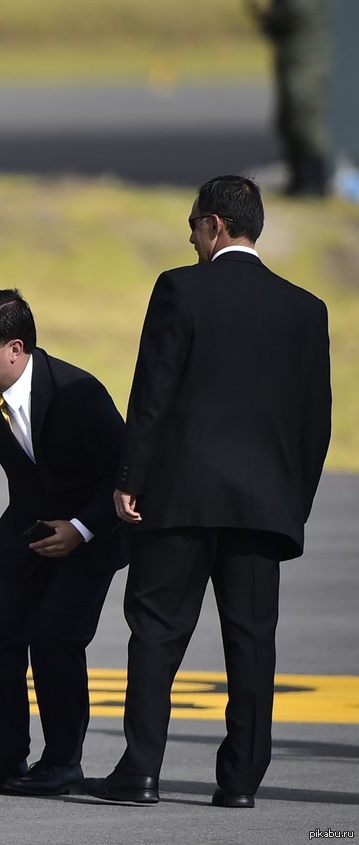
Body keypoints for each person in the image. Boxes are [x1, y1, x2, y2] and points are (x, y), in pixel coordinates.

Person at [82, 176, 331, 808]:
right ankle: (242, 781)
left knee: (157, 632)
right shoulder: (306, 309)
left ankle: (140, 771)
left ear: (215, 225)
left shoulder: (179, 289)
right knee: (251, 642)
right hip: (263, 509)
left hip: (180, 501)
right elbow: (316, 422)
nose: (190, 237)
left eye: (193, 225)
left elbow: (152, 395)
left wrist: (128, 480)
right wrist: (291, 506)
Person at [0, 289, 127, 797]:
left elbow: (126, 472)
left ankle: (62, 764)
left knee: (55, 638)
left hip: (92, 534)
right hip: (29, 534)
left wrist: (80, 529)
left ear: (15, 349)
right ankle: (5, 760)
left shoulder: (79, 391)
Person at [247, 0, 331, 196]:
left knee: (304, 115)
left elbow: (298, 11)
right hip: (291, 57)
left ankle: (314, 181)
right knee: (287, 118)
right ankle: (298, 179)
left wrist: (271, 16)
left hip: (307, 58)